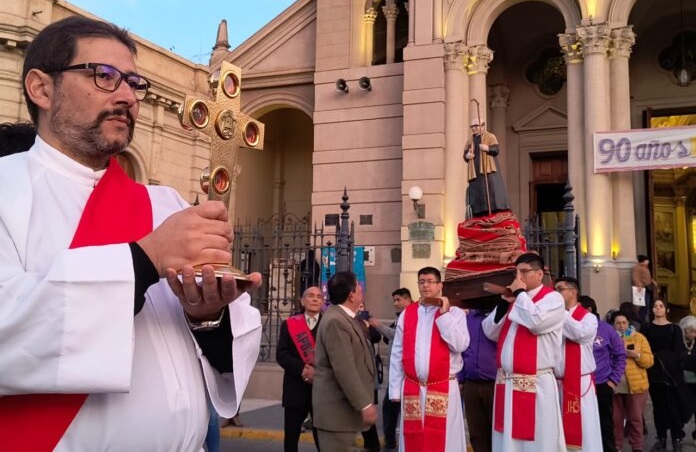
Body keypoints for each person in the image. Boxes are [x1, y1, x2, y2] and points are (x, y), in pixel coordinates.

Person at [0, 17, 262, 451]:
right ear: (41, 89)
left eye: (134, 82)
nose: (126, 96)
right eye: (104, 76)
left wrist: (208, 316)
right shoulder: (7, 188)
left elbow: (217, 353)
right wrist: (145, 259)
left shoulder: (167, 205)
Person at [482, 252, 566, 452]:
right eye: (516, 272)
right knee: (507, 441)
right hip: (507, 383)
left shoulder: (553, 299)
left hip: (536, 384)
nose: (518, 277)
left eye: (524, 272)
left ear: (539, 274)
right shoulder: (516, 301)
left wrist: (519, 295)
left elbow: (535, 322)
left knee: (536, 441)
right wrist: (504, 302)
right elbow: (489, 331)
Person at [389, 266, 469, 451]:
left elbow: (460, 345)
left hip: (443, 386)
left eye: (430, 281)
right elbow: (397, 352)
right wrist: (394, 389)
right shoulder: (408, 313)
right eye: (421, 281)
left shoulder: (455, 313)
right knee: (414, 438)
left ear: (440, 285)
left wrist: (443, 316)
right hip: (413, 387)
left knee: (445, 441)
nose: (425, 286)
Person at [312, 272, 377, 452]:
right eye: (358, 286)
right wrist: (364, 404)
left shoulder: (346, 317)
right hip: (336, 415)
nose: (361, 290)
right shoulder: (336, 321)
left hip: (344, 415)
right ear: (351, 294)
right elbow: (344, 368)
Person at [553, 277, 601, 451]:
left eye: (560, 289)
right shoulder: (553, 315)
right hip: (556, 383)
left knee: (585, 430)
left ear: (573, 292)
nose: (555, 294)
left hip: (579, 384)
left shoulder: (588, 318)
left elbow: (580, 333)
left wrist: (560, 312)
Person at [276, 286, 323, 452]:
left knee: (323, 439)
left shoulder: (330, 324)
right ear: (303, 301)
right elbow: (281, 354)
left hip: (322, 390)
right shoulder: (289, 325)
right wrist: (303, 370)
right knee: (291, 438)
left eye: (319, 296)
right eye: (311, 296)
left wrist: (318, 373)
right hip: (295, 388)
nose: (315, 299)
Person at [368, 287, 414, 451]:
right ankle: (391, 441)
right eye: (394, 300)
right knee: (390, 406)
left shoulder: (412, 316)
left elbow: (398, 335)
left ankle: (393, 441)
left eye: (398, 300)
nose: (395, 303)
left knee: (396, 406)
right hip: (396, 373)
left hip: (406, 373)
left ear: (408, 300)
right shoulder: (400, 317)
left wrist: (378, 325)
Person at [579, 295, 627, 452]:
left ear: (588, 310)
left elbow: (620, 355)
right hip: (577, 384)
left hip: (601, 385)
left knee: (605, 426)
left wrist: (613, 380)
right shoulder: (572, 328)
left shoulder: (606, 330)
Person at [643, 299, 689, 451]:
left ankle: (677, 438)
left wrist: (671, 365)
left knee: (673, 406)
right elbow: (643, 347)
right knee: (659, 407)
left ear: (667, 310)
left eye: (661, 306)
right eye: (655, 306)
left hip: (671, 374)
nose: (658, 309)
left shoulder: (674, 329)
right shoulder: (647, 328)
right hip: (653, 373)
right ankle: (661, 438)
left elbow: (680, 352)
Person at [610, 311, 654, 452]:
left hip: (635, 386)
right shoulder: (610, 338)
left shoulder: (639, 338)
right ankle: (617, 447)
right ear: (613, 325)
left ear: (628, 323)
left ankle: (637, 447)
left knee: (635, 419)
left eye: (624, 323)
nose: (621, 326)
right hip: (615, 385)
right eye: (618, 323)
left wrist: (637, 355)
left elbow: (649, 361)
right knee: (615, 421)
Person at [456, 307, 497, 452]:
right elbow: (461, 349)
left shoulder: (500, 315)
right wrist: (460, 379)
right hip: (471, 384)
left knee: (497, 433)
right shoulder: (469, 318)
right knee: (476, 433)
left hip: (495, 384)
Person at [463, 120, 510, 217]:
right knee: (477, 190)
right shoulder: (470, 140)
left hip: (487, 169)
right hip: (475, 171)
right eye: (472, 126)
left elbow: (496, 149)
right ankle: (478, 211)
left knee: (490, 189)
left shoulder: (490, 136)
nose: (474, 128)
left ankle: (492, 209)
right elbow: (465, 154)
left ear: (483, 126)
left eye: (476, 126)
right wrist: (467, 155)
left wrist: (487, 148)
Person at [358, 301, 383, 452]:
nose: (360, 308)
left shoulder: (368, 320)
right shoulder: (347, 321)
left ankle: (372, 445)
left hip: (368, 373)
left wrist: (369, 325)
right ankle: (371, 445)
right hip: (357, 372)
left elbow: (376, 338)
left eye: (362, 306)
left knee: (365, 413)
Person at [679, 315, 696, 442]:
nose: (694, 333)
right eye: (692, 331)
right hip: (681, 382)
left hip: (695, 381)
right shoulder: (679, 342)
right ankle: (679, 435)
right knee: (682, 409)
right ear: (685, 330)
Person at [632, 255, 657, 323]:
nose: (648, 261)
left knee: (647, 305)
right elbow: (635, 277)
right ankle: (641, 320)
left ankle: (643, 319)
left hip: (647, 288)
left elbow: (646, 277)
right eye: (646, 260)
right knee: (644, 305)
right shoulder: (637, 267)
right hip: (642, 289)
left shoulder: (645, 267)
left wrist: (652, 281)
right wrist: (638, 284)